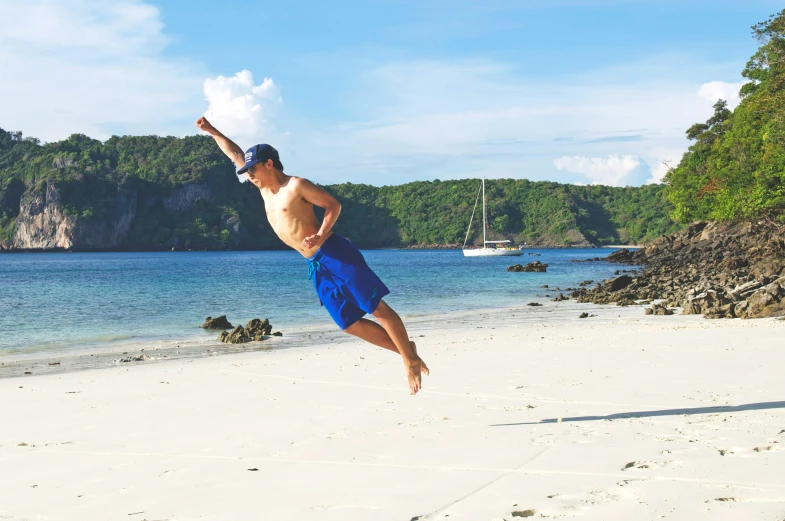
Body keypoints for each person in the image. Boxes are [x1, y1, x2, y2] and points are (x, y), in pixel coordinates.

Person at [196, 117, 429, 394]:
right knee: (349, 324)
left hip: (334, 253)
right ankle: (407, 350)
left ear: (269, 164)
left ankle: (409, 360)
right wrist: (211, 131)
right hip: (316, 264)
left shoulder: (296, 186)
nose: (250, 174)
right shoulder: (262, 188)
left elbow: (333, 205)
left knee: (376, 307)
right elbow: (234, 153)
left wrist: (320, 233)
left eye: (254, 168)